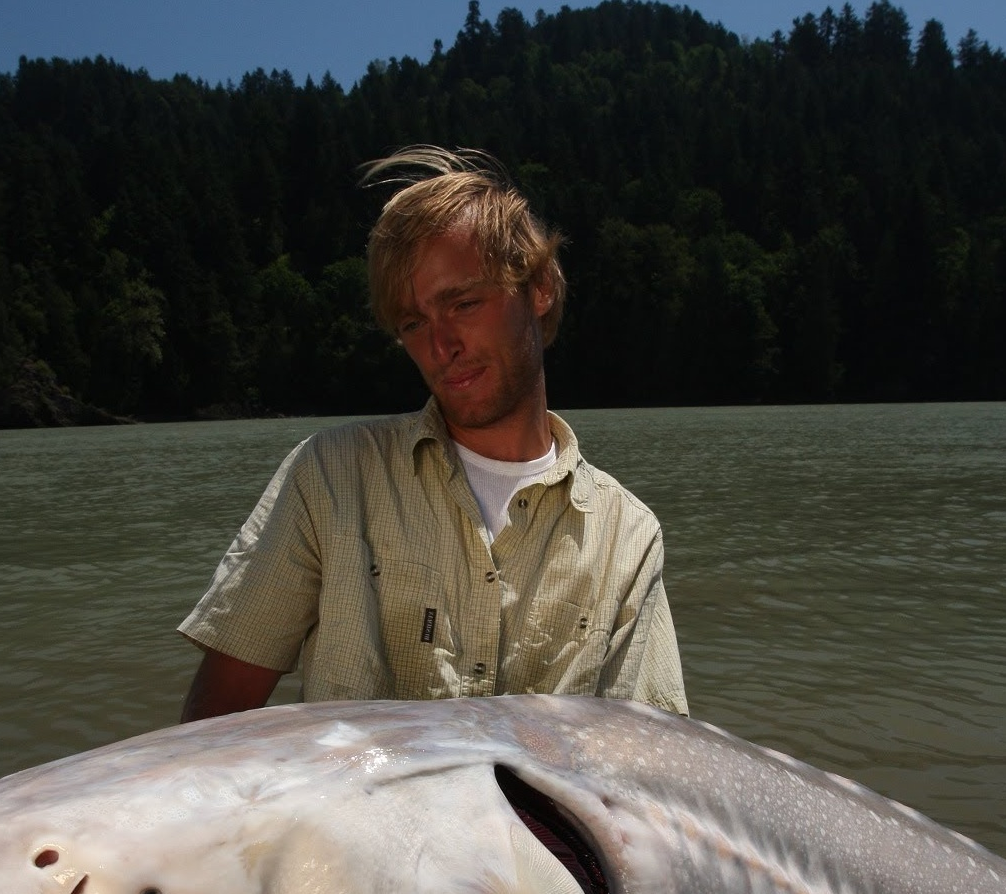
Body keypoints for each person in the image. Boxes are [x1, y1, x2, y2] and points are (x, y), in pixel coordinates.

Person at [179, 146, 687, 725]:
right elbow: (212, 726)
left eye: (464, 303)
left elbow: (649, 758)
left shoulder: (629, 535)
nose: (440, 347)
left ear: (539, 287)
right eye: (413, 324)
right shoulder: (329, 477)